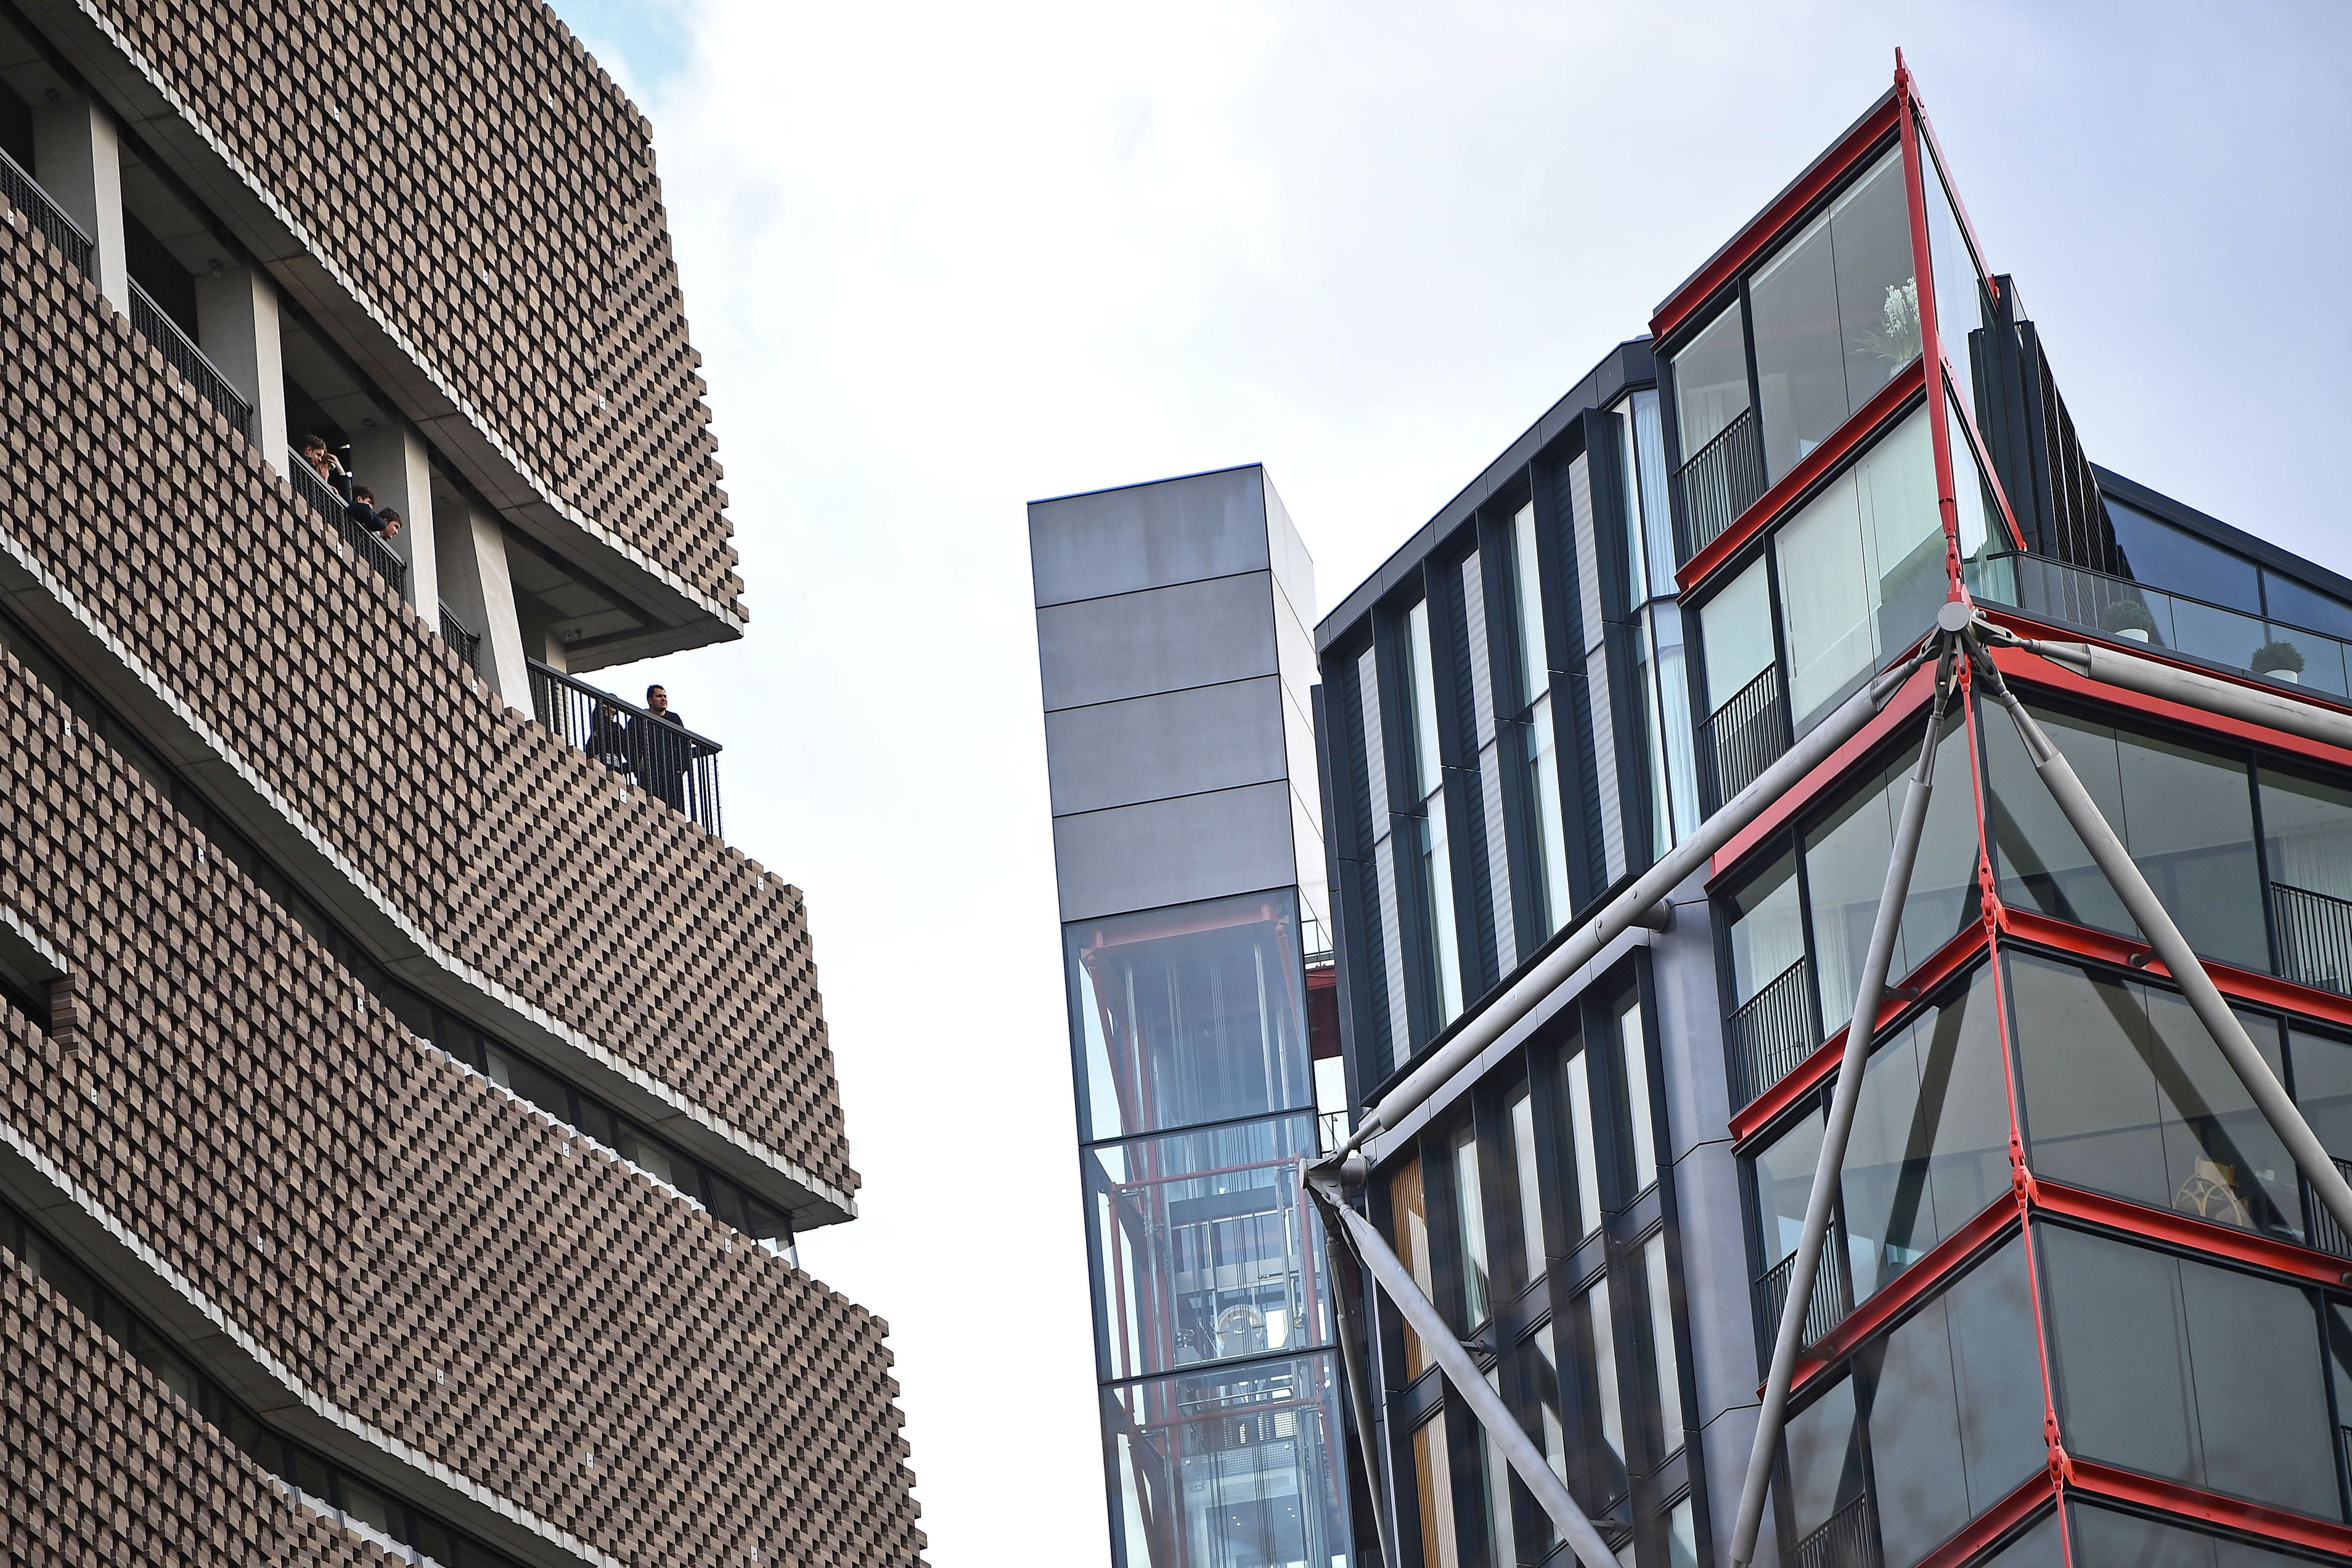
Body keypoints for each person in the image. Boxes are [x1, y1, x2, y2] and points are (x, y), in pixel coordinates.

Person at [629, 684, 691, 812]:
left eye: (665, 696)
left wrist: (681, 768)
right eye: (659, 696)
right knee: (652, 809)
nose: (663, 699)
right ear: (650, 700)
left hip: (671, 772)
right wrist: (638, 762)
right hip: (649, 773)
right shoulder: (639, 718)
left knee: (674, 811)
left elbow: (685, 744)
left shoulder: (673, 719)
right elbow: (629, 743)